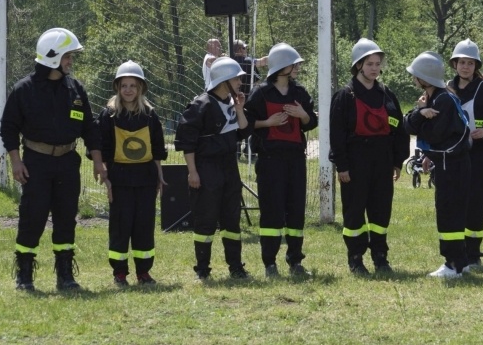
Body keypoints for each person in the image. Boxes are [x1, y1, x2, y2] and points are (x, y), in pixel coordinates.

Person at [0, 28, 106, 291]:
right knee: (32, 217)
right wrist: (16, 161)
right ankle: (24, 275)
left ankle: (65, 275)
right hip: (36, 163)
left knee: (66, 217)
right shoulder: (24, 90)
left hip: (68, 163)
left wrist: (97, 160)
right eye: (68, 56)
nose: (71, 61)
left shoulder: (75, 88)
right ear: (53, 56)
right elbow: (8, 128)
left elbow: (90, 128)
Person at [329, 38, 408, 275]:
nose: (374, 68)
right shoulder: (345, 96)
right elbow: (337, 134)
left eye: (377, 63)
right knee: (354, 212)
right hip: (355, 161)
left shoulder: (387, 95)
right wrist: (342, 166)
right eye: (369, 63)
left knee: (380, 211)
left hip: (382, 160)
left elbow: (398, 130)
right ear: (358, 65)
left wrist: (397, 161)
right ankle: (356, 258)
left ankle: (380, 257)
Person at [174, 56, 252, 280]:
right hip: (206, 168)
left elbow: (244, 132)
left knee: (231, 219)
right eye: (236, 78)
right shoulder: (201, 104)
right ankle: (202, 269)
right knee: (206, 219)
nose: (240, 83)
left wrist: (239, 109)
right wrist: (193, 171)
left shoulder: (231, 104)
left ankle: (236, 267)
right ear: (224, 80)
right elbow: (187, 143)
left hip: (229, 168)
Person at [244, 43, 318, 278]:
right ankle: (269, 263)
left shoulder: (300, 93)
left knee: (295, 211)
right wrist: (268, 123)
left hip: (296, 160)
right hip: (269, 161)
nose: (297, 68)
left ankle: (295, 261)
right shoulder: (261, 92)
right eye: (293, 64)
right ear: (280, 67)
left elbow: (311, 123)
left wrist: (302, 115)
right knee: (272, 212)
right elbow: (245, 124)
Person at [97, 61, 168, 286]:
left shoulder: (150, 115)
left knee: (144, 226)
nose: (128, 90)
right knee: (120, 225)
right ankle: (119, 273)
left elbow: (157, 149)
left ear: (141, 89)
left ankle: (143, 272)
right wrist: (106, 177)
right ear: (117, 88)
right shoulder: (108, 115)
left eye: (133, 86)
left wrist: (159, 176)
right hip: (119, 180)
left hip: (145, 179)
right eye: (124, 85)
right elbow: (101, 148)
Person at [404, 51, 470, 279]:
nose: (414, 79)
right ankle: (459, 261)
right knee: (450, 211)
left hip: (452, 165)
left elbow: (433, 134)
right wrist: (420, 112)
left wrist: (419, 119)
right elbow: (409, 125)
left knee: (449, 212)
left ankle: (453, 264)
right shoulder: (434, 99)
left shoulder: (443, 100)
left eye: (416, 76)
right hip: (446, 163)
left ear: (425, 78)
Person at [447, 39, 483, 269]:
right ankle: (455, 252)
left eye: (470, 63)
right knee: (454, 203)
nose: (466, 67)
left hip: (481, 157)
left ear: (476, 66)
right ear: (455, 64)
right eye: (462, 62)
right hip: (454, 156)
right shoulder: (446, 90)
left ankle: (473, 253)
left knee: (477, 204)